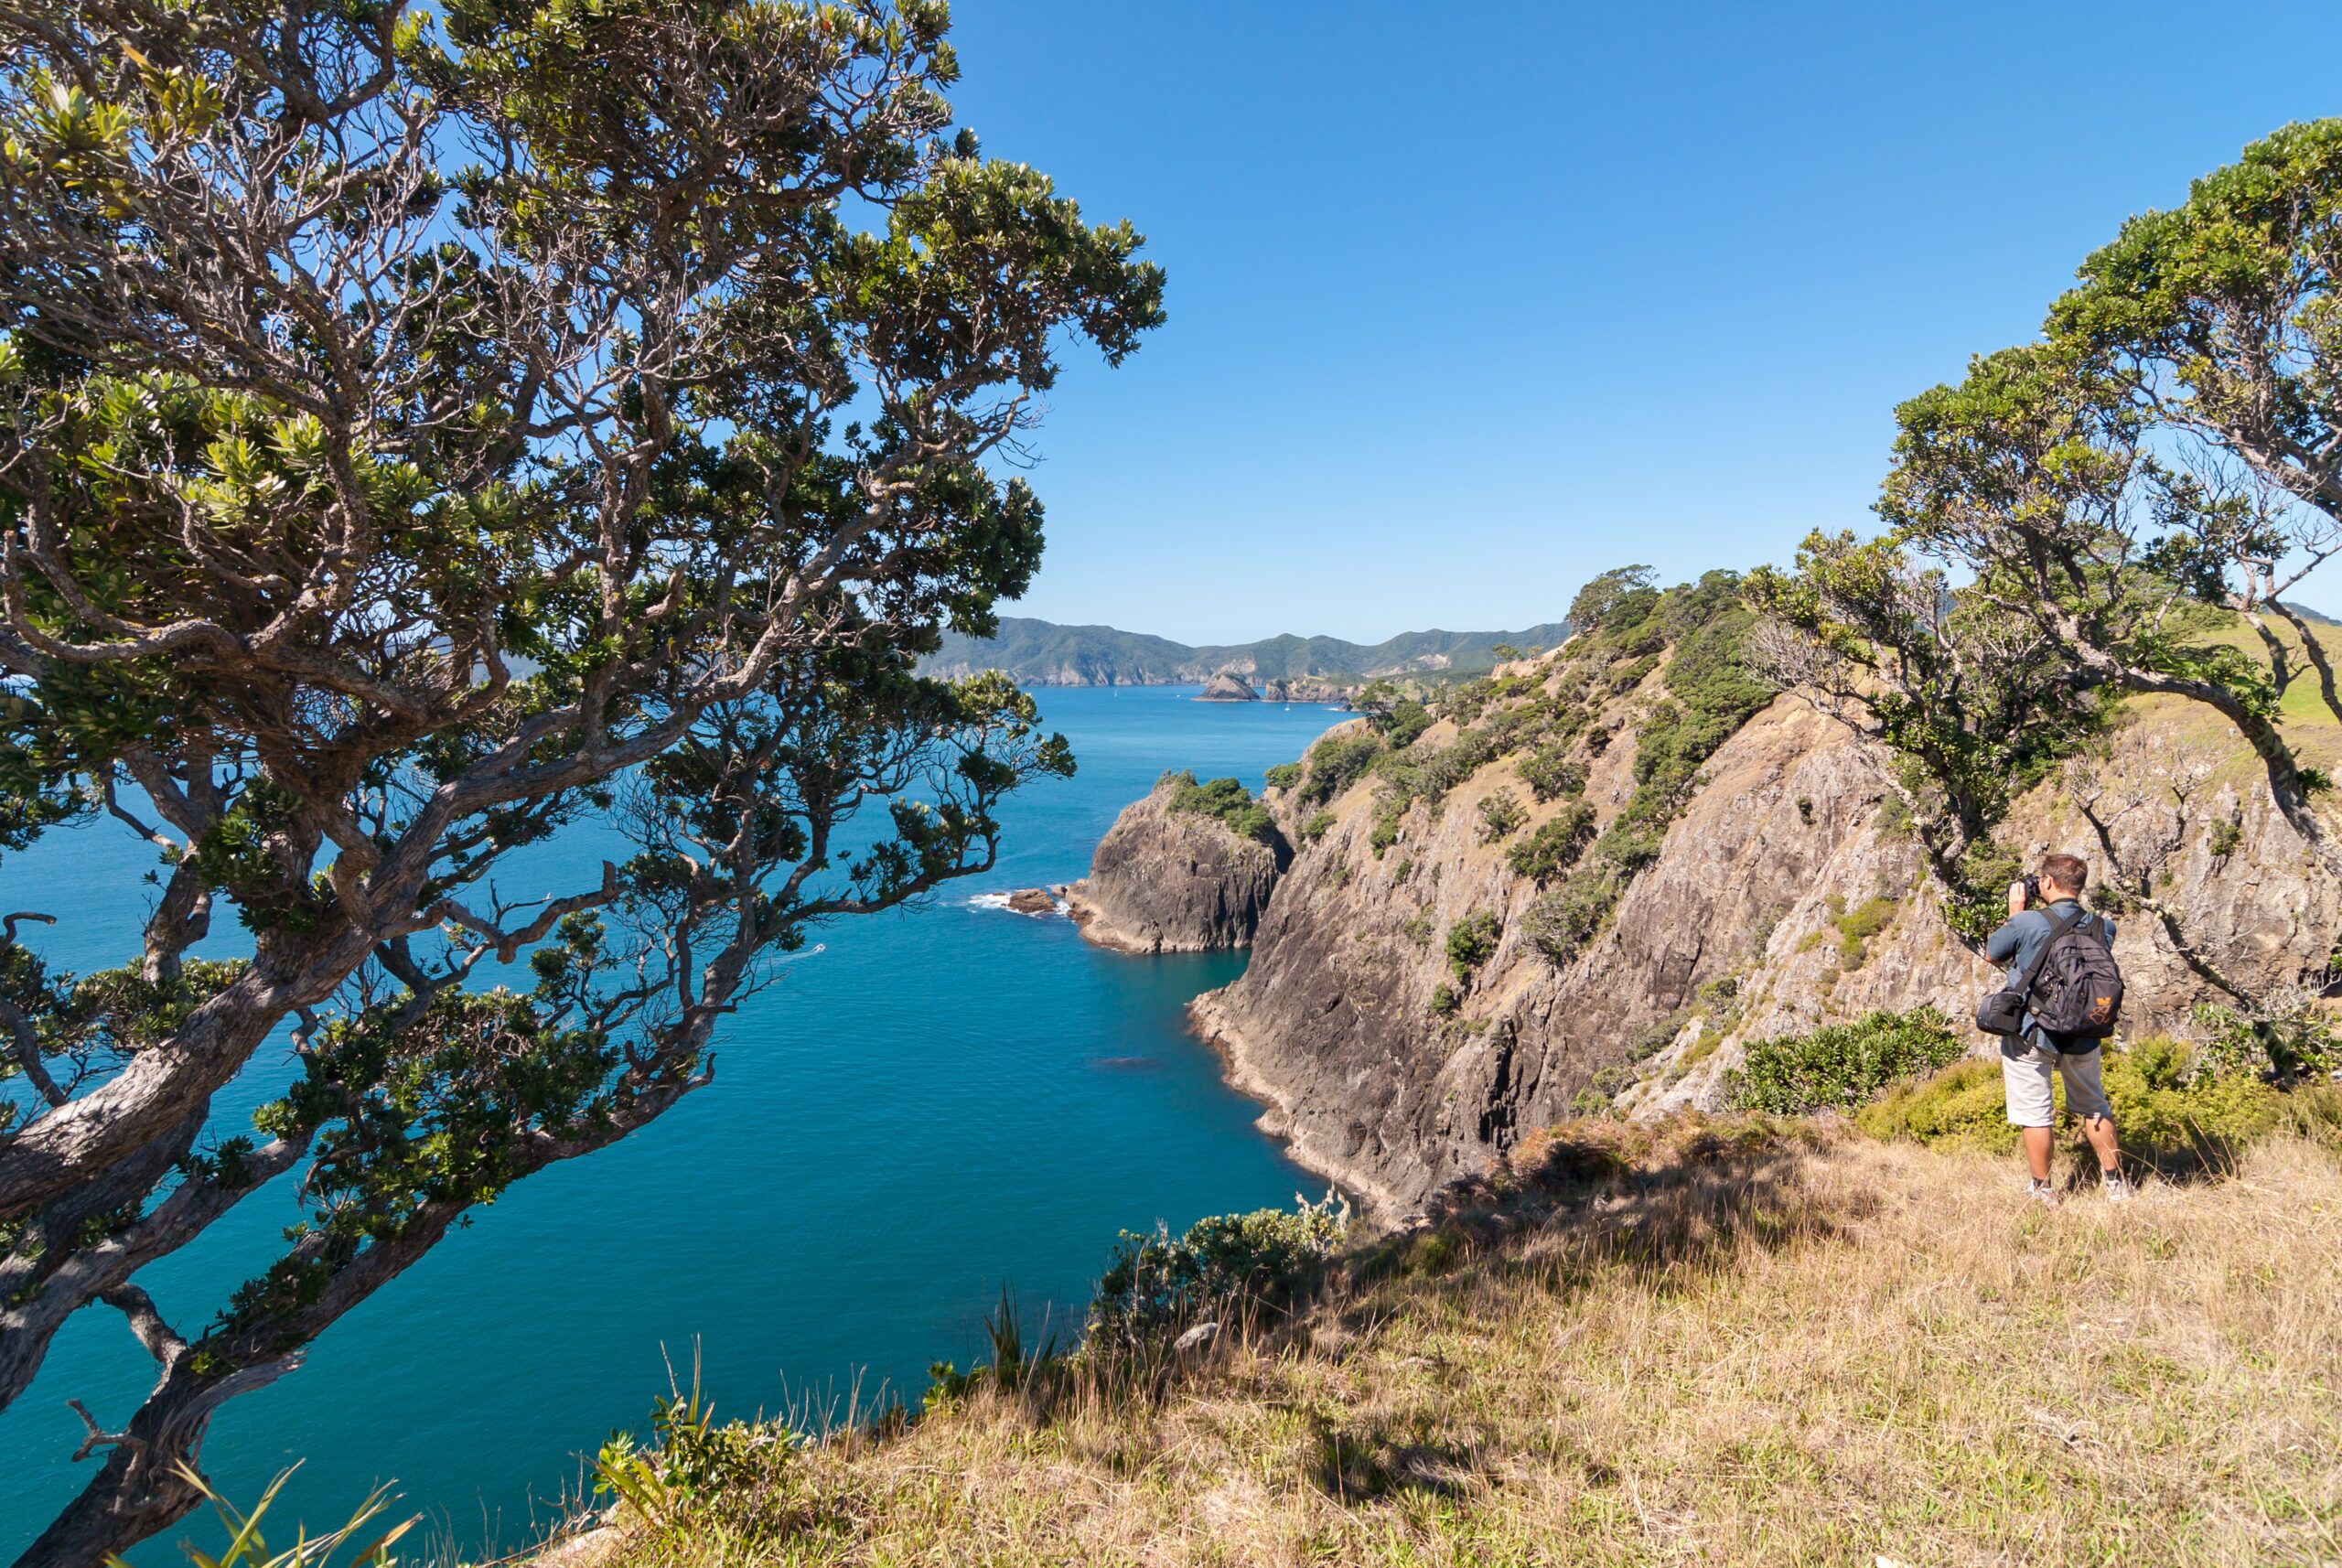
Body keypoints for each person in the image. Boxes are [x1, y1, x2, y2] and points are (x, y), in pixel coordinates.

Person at [1983, 853, 2132, 1207]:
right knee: (2094, 1106)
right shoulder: (2104, 927)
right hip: (2085, 1030)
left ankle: (2043, 1190)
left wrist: (2015, 913)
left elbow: (1992, 953)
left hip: (2033, 1031)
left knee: (2035, 1113)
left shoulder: (2027, 922)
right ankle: (2115, 1186)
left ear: (2047, 882)